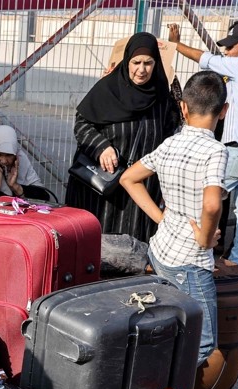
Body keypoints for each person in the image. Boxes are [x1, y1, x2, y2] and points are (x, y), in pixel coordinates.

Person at [121, 71, 228, 367]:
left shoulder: (170, 144)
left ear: (183, 107)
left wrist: (161, 217)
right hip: (190, 262)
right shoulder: (215, 151)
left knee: (169, 323)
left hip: (161, 249)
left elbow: (129, 179)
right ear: (224, 110)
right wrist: (206, 238)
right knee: (203, 343)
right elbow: (211, 204)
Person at [166, 19, 238, 270]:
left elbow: (204, 58)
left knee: (203, 197)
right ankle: (236, 259)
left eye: (230, 47)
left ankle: (190, 250)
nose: (226, 52)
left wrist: (176, 45)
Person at [65, 32, 180, 243]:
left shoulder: (162, 98)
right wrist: (102, 147)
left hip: (141, 187)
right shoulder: (107, 88)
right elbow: (82, 124)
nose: (142, 69)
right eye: (136, 62)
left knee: (134, 244)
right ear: (127, 60)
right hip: (104, 185)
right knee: (99, 242)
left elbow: (172, 134)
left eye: (148, 62)